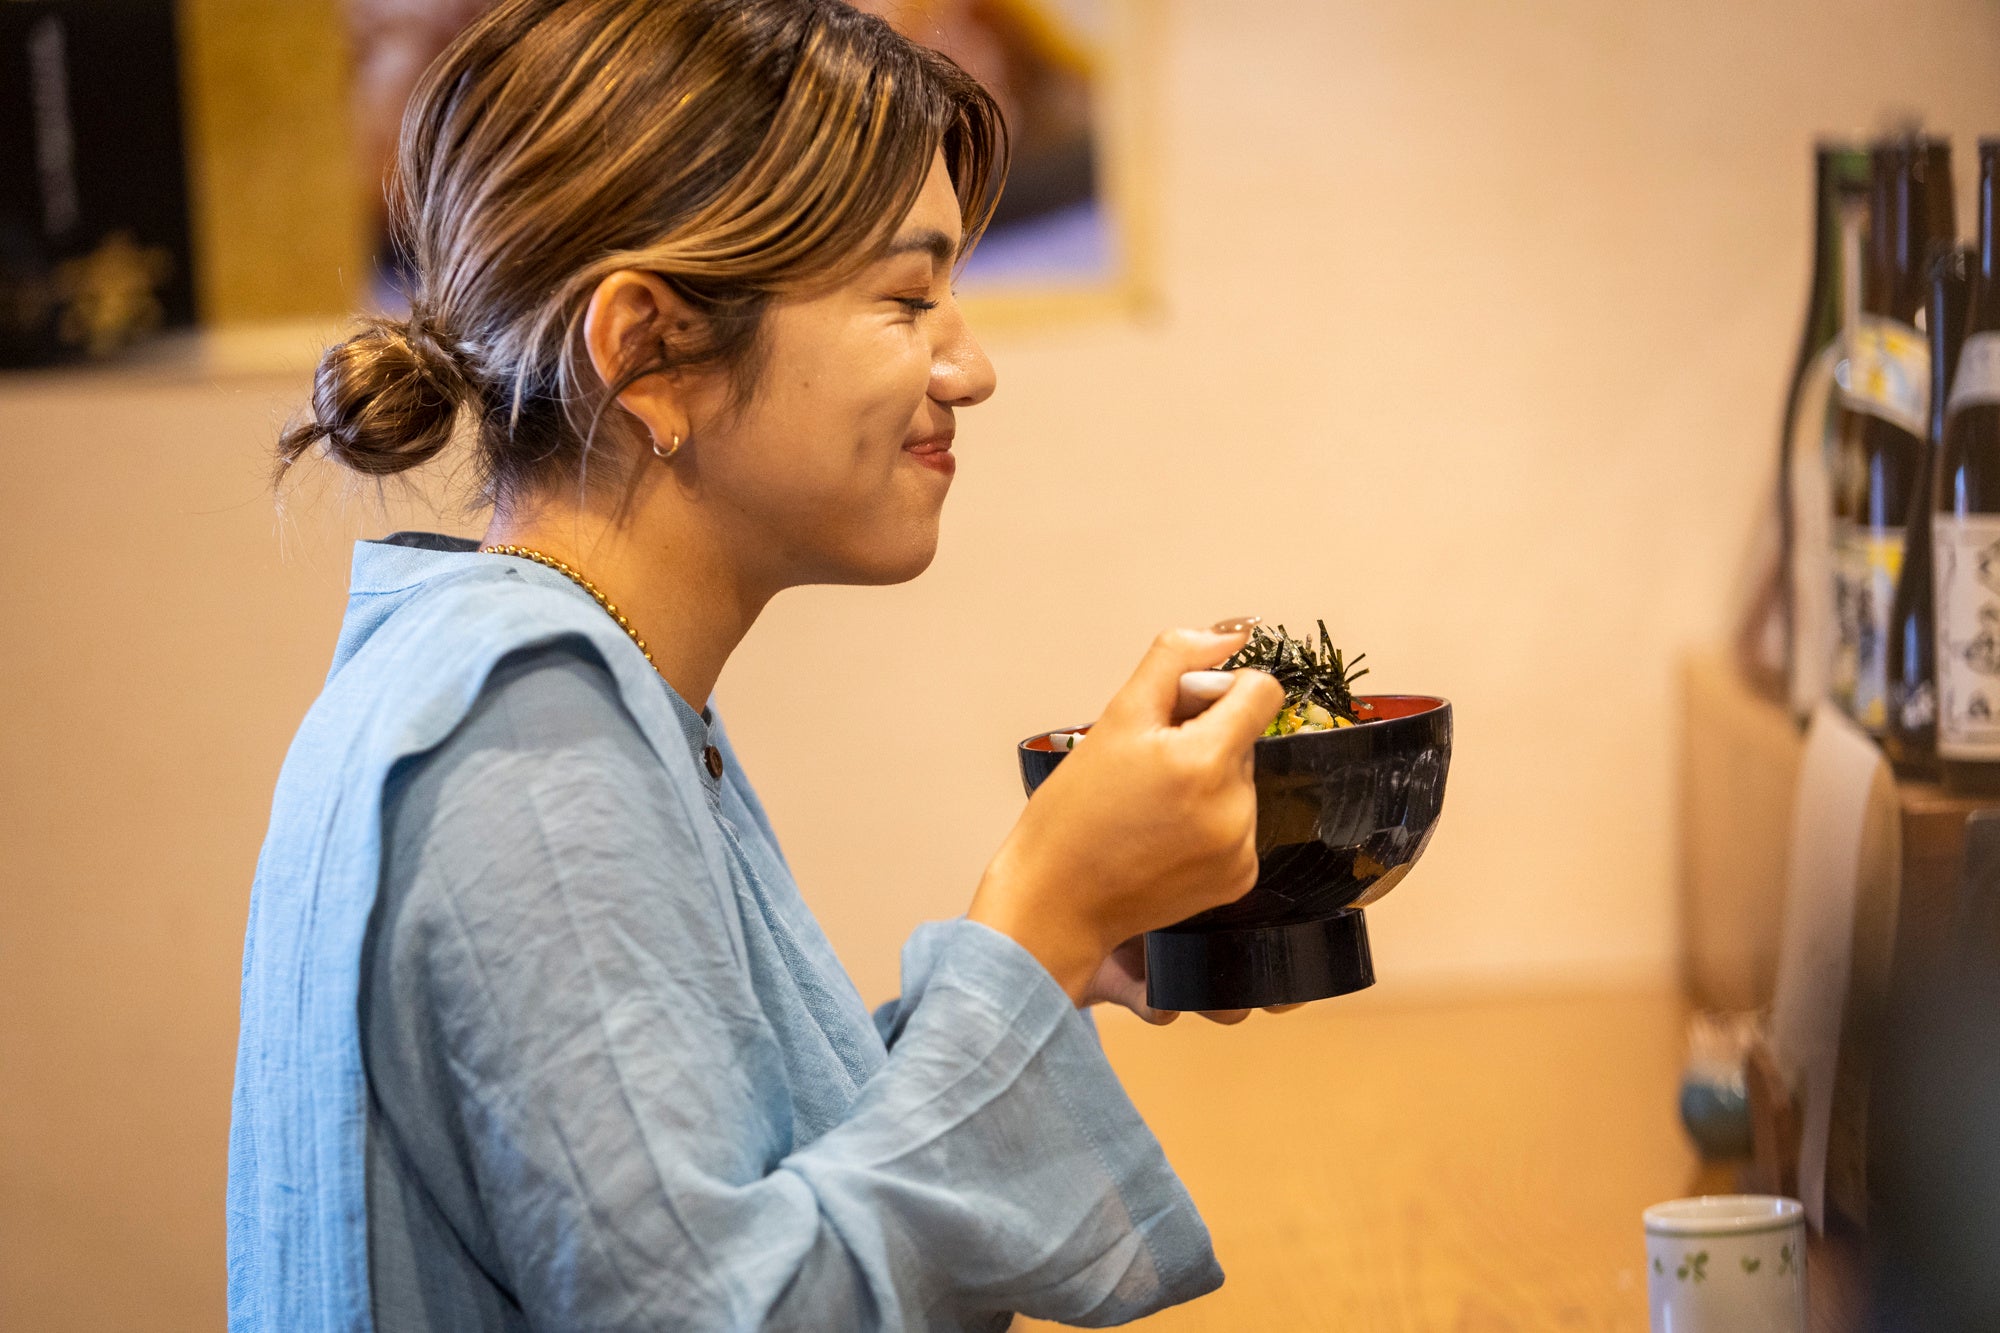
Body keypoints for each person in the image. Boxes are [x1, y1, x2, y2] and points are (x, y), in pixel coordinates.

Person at [227, 1, 1286, 1328]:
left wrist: (1058, 964)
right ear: (650, 351)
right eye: (907, 297)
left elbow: (742, 1205)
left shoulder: (544, 679)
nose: (972, 365)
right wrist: (1035, 913)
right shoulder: (525, 741)